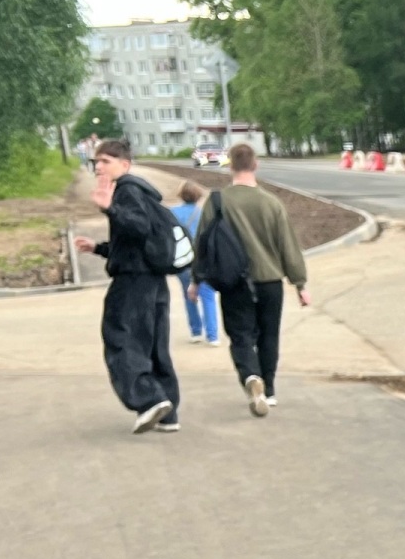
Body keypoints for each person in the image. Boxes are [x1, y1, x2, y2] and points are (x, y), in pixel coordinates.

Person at [71, 139, 179, 435]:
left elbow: (139, 227)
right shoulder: (142, 192)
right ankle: (168, 413)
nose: (98, 167)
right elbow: (135, 243)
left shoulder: (127, 190)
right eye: (96, 162)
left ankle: (149, 400)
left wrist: (110, 209)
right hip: (153, 280)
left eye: (105, 161)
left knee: (121, 339)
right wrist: (99, 248)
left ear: (125, 164)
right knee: (155, 346)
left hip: (133, 282)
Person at [197, 142, 309, 417]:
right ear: (255, 165)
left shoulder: (217, 202)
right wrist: (300, 284)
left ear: (230, 166)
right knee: (269, 335)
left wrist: (195, 279)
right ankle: (268, 390)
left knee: (241, 335)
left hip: (234, 283)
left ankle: (250, 375)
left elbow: (203, 243)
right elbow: (288, 246)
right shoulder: (272, 203)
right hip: (270, 281)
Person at [172, 181, 219, 346]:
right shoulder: (204, 213)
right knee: (208, 295)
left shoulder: (172, 213)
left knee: (189, 295)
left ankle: (196, 331)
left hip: (183, 259)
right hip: (203, 259)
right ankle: (212, 335)